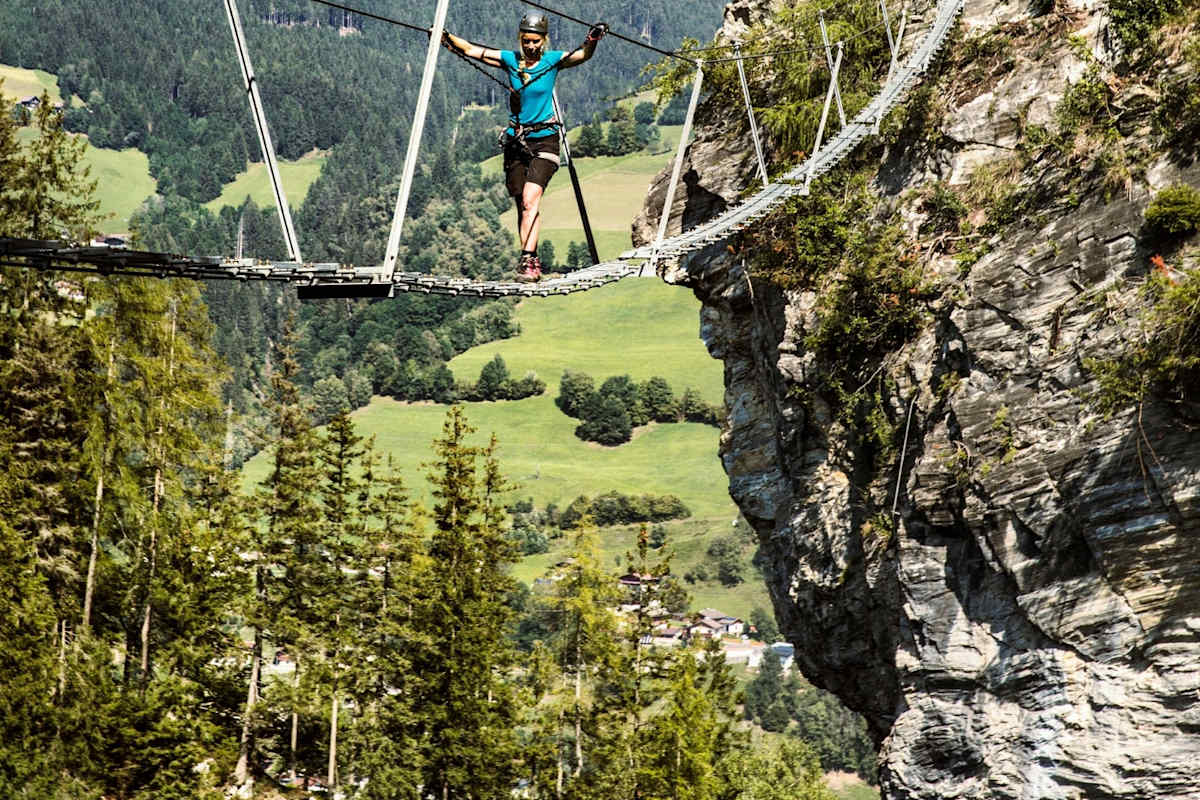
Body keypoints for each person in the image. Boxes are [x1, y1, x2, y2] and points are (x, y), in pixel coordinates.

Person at [443, 13, 606, 282]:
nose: (531, 47)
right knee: (522, 204)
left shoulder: (553, 61)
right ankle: (529, 259)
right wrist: (445, 36)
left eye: (536, 41)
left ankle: (528, 262)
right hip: (516, 141)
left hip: (545, 140)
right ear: (521, 39)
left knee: (531, 199)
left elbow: (583, 55)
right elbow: (472, 49)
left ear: (544, 40)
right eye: (527, 41)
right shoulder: (510, 60)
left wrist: (593, 39)